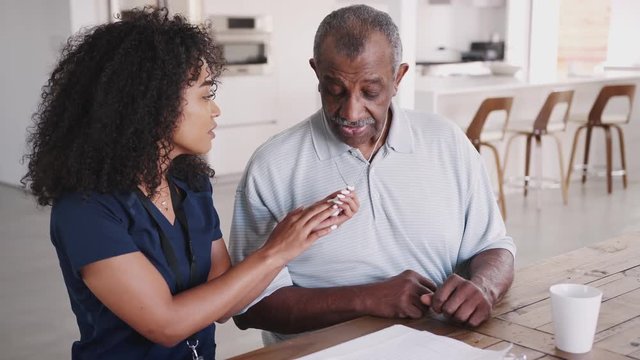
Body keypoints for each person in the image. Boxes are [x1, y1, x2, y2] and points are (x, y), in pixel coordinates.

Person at [21, 8, 357, 360]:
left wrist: (301, 236)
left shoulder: (190, 185)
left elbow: (227, 302)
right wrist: (276, 251)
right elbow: (166, 324)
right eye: (205, 95)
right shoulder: (86, 210)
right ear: (153, 103)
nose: (216, 111)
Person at [229, 4, 516, 345]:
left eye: (371, 92)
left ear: (398, 78)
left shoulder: (446, 141)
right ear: (316, 73)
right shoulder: (273, 165)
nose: (351, 111)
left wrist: (484, 286)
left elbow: (494, 245)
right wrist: (367, 299)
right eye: (334, 89)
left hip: (440, 348)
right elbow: (250, 307)